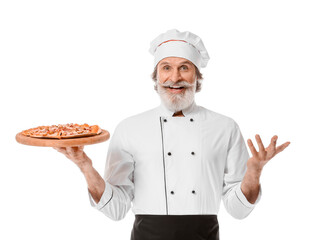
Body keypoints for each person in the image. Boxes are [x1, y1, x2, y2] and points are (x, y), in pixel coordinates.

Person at [53, 29, 290, 240]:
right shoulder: (129, 128)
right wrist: (85, 166)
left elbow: (238, 210)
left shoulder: (225, 127)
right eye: (166, 67)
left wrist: (255, 172)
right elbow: (116, 209)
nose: (174, 78)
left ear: (197, 77)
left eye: (184, 68)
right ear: (156, 77)